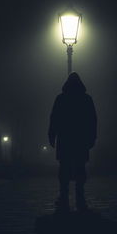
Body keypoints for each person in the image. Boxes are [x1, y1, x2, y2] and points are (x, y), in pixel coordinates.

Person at [48, 72, 97, 212]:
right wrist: (92, 137)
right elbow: (92, 120)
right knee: (80, 169)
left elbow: (54, 118)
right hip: (80, 140)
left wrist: (52, 136)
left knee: (64, 169)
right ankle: (80, 198)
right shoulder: (86, 99)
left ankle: (64, 197)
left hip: (65, 139)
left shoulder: (61, 99)